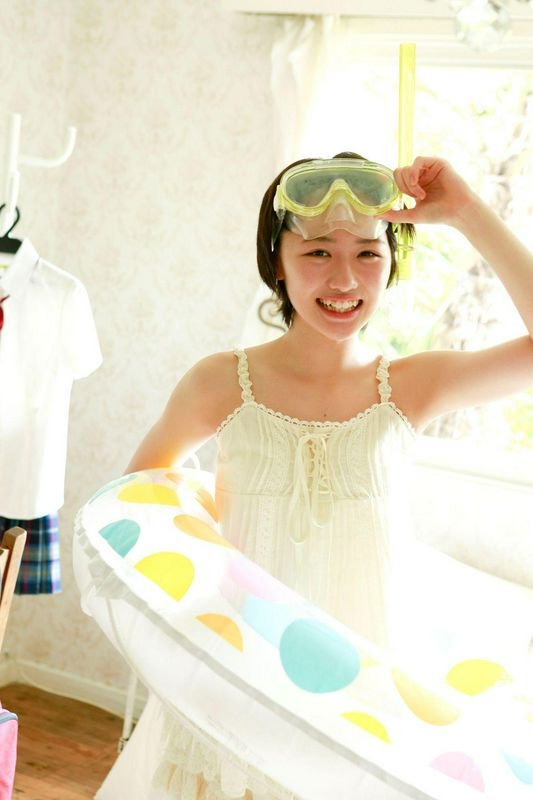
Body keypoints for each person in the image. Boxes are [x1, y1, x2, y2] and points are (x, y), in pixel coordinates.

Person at [96, 153, 533, 800]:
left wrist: (465, 212)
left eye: (368, 253)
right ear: (276, 261)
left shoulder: (411, 385)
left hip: (363, 704)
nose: (344, 278)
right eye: (318, 252)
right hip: (237, 686)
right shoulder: (219, 383)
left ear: (391, 263)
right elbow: (131, 514)